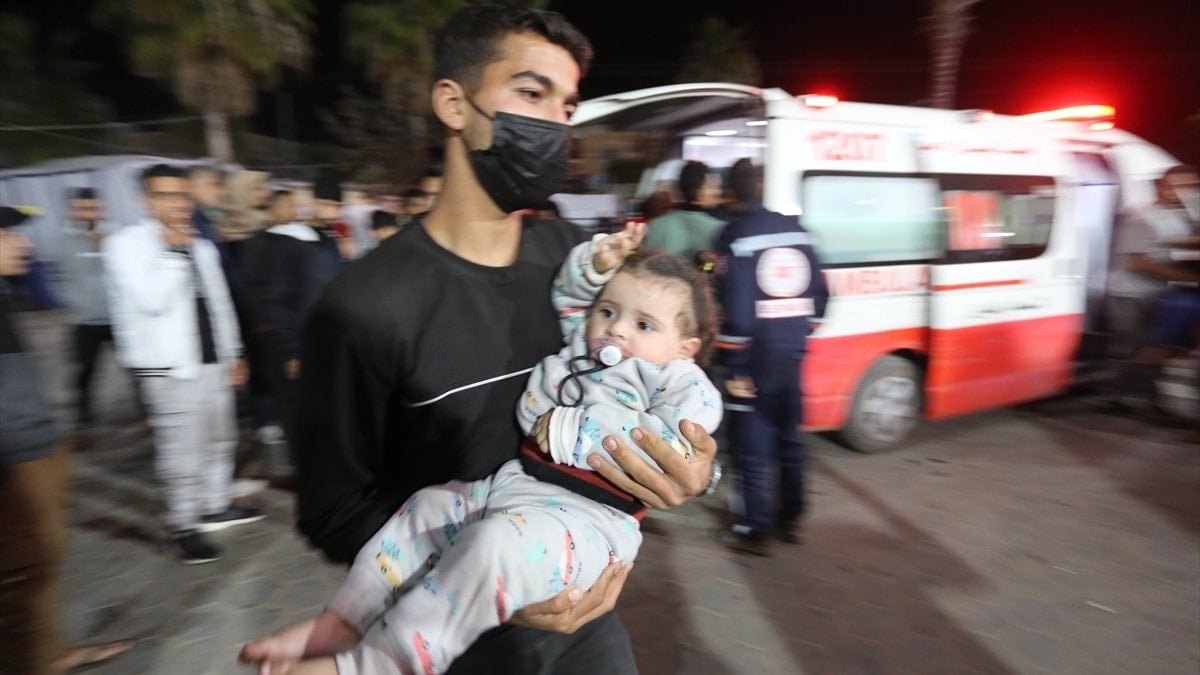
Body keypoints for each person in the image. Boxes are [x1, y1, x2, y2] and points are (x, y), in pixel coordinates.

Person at [277, 5, 718, 674]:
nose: (556, 125)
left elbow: (663, 384)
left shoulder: (582, 262)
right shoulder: (361, 305)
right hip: (451, 642)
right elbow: (334, 508)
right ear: (454, 104)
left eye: (567, 106)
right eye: (532, 93)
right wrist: (483, 581)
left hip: (588, 633)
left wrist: (694, 473)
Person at [242, 233, 722, 674]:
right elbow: (573, 297)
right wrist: (594, 264)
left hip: (589, 522)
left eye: (643, 324)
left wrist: (577, 431)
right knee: (426, 509)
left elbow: (678, 440)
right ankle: (346, 616)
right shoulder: (584, 342)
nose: (616, 331)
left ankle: (379, 664)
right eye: (609, 312)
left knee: (495, 546)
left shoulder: (678, 380)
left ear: (686, 348)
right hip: (513, 487)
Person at [102, 164, 264, 564]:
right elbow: (151, 300)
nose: (177, 203)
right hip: (169, 368)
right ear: (145, 200)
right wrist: (174, 251)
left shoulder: (202, 246)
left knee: (221, 439)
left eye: (182, 195)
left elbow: (219, 304)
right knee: (183, 452)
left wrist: (233, 352)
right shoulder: (126, 244)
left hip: (212, 361)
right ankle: (182, 527)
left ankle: (213, 506)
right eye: (165, 195)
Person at [1, 205, 135, 673]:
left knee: (40, 560)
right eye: (8, 234)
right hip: (15, 457)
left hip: (37, 444)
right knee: (24, 567)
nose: (24, 243)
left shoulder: (5, 295)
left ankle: (50, 653)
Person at [713, 158, 829, 556]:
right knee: (790, 438)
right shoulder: (798, 231)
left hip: (753, 357)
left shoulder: (734, 235)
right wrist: (797, 334)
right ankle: (792, 517)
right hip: (791, 354)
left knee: (752, 445)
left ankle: (754, 527)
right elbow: (821, 297)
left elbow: (738, 311)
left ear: (730, 192)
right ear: (761, 187)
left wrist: (735, 365)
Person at [1105, 164, 1200, 408]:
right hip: (1130, 294)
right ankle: (1119, 398)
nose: (1185, 191)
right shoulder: (1142, 217)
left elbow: (1180, 245)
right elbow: (1137, 262)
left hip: (1161, 291)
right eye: (1177, 186)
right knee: (1132, 347)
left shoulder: (1183, 215)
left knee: (1158, 346)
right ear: (1162, 188)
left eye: (1191, 186)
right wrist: (1191, 279)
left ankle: (1143, 396)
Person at [58, 188, 118, 436]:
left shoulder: (117, 236)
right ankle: (84, 424)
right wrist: (72, 302)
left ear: (101, 210)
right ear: (72, 211)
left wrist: (110, 246)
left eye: (92, 208)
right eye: (81, 209)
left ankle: (148, 415)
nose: (87, 214)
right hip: (84, 321)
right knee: (84, 371)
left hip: (118, 317)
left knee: (137, 369)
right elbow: (56, 277)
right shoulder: (62, 239)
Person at [642, 160, 725, 264]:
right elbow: (712, 268)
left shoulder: (655, 225)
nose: (718, 192)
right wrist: (707, 266)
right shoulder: (718, 229)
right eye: (714, 187)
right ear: (698, 192)